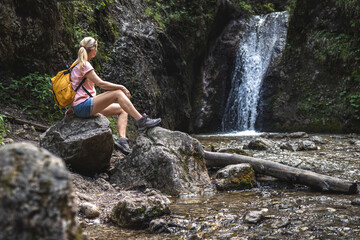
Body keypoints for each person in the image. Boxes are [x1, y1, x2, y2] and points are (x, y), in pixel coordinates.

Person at [65, 37, 161, 155]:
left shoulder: (76, 64)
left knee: (122, 108)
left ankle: (122, 140)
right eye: (97, 47)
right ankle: (141, 121)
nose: (97, 50)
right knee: (118, 94)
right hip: (84, 106)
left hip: (81, 106)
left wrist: (72, 107)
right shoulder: (85, 65)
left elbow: (73, 87)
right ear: (93, 48)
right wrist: (121, 87)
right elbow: (101, 83)